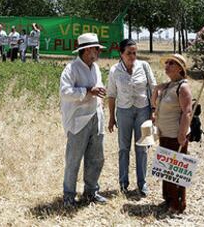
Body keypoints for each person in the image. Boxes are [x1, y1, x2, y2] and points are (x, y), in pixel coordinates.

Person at [60, 33, 108, 208]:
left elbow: (97, 88)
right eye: (97, 49)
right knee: (74, 159)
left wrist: (100, 97)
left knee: (97, 158)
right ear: (87, 50)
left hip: (96, 117)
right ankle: (68, 195)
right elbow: (65, 92)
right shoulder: (71, 69)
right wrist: (88, 91)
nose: (99, 52)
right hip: (78, 121)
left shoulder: (94, 67)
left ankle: (91, 192)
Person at [107, 39, 156, 196]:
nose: (132, 56)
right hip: (123, 112)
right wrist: (111, 117)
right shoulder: (115, 70)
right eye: (129, 53)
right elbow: (112, 95)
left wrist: (153, 110)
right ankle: (123, 183)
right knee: (123, 148)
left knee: (142, 148)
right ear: (121, 54)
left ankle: (142, 184)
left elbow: (153, 88)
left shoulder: (144, 66)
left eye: (135, 53)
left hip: (143, 110)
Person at [152, 53, 192, 214]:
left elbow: (187, 112)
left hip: (176, 135)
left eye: (171, 63)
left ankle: (177, 204)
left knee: (176, 171)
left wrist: (182, 133)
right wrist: (156, 90)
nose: (167, 66)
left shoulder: (183, 87)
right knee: (166, 168)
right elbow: (153, 101)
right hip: (165, 134)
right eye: (166, 63)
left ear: (180, 68)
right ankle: (168, 199)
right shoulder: (168, 85)